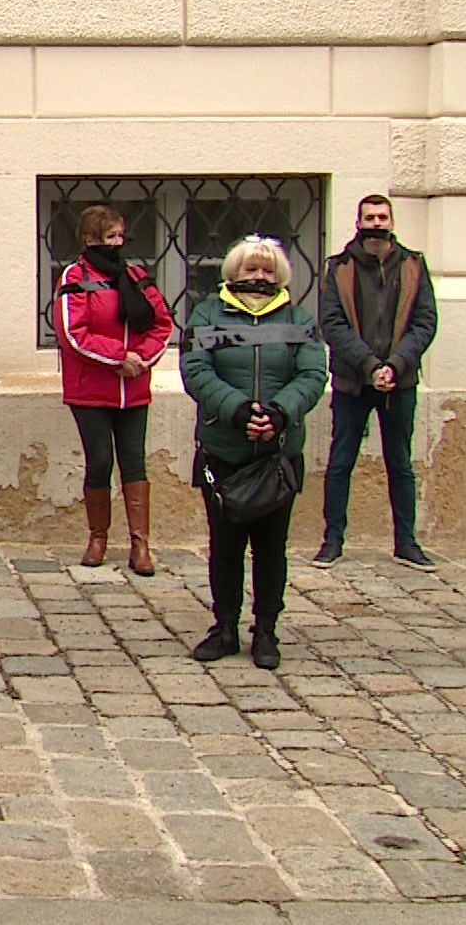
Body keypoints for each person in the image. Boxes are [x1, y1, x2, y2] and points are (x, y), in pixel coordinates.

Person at [181, 235, 328, 671]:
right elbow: (196, 370)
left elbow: (313, 371)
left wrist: (280, 414)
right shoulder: (206, 315)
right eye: (251, 269)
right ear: (234, 273)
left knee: (271, 548)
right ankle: (225, 626)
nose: (259, 277)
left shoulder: (299, 319)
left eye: (267, 271)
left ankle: (266, 630)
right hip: (224, 448)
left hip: (278, 454)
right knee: (224, 547)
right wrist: (238, 411)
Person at [314, 194, 438, 571]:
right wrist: (370, 366)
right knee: (341, 462)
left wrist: (396, 365)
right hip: (354, 380)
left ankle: (407, 542)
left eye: (382, 217)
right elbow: (332, 324)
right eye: (369, 217)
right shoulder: (340, 267)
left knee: (400, 463)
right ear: (358, 221)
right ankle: (332, 540)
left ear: (392, 222)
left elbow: (425, 322)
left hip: (399, 381)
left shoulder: (414, 265)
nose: (376, 223)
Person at [54, 205, 175, 576]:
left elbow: (162, 323)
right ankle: (98, 538)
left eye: (121, 237)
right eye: (110, 238)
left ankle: (140, 544)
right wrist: (119, 357)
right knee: (101, 461)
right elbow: (73, 333)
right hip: (91, 389)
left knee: (134, 462)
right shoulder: (75, 276)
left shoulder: (135, 275)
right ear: (90, 239)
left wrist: (141, 358)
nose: (117, 244)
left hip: (133, 388)